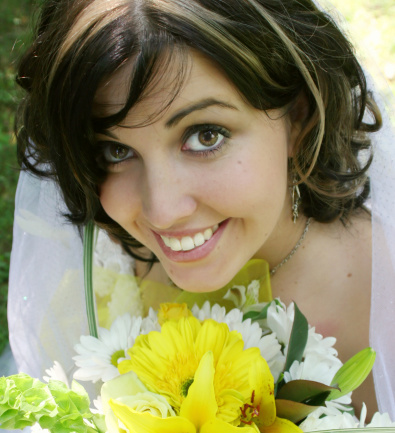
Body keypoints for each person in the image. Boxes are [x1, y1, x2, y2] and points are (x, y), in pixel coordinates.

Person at [8, 0, 395, 421]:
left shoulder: (382, 296)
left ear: (297, 118)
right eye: (116, 150)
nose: (161, 212)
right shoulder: (106, 266)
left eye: (205, 136)